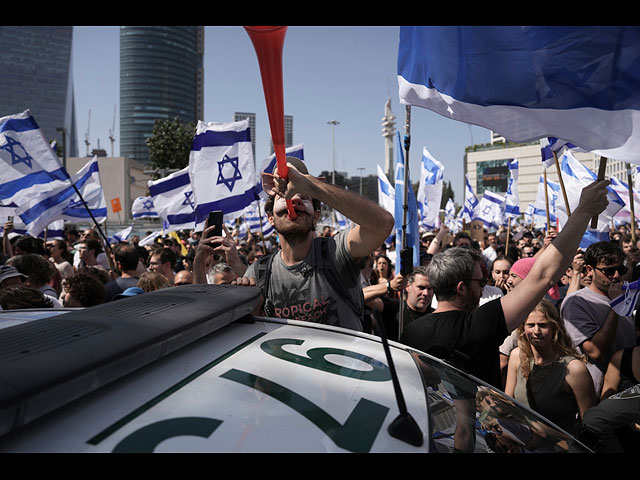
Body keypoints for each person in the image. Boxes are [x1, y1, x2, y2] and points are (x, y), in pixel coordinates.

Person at [398, 180, 610, 389]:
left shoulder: (410, 332)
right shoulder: (479, 323)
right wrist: (583, 211)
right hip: (475, 422)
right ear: (461, 288)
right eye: (480, 281)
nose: (483, 287)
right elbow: (544, 275)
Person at [215, 156, 394, 331]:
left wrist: (311, 186)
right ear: (270, 218)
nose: (294, 200)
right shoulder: (259, 272)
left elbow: (383, 224)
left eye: (304, 197)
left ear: (316, 216)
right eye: (282, 196)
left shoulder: (337, 251)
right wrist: (255, 310)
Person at [505, 300, 597, 437]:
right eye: (531, 325)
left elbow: (589, 425)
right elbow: (508, 404)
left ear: (555, 327)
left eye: (543, 325)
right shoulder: (517, 356)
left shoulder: (574, 369)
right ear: (523, 328)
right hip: (522, 443)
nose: (536, 331)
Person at [560, 241, 637, 396]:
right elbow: (595, 352)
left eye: (620, 270)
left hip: (630, 387)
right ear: (589, 270)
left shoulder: (625, 296)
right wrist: (615, 307)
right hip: (599, 394)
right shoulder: (576, 302)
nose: (616, 276)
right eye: (609, 271)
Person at [364, 266, 434, 340]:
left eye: (430, 288)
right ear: (407, 287)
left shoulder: (435, 316)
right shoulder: (394, 308)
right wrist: (389, 286)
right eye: (421, 288)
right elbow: (361, 296)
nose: (426, 293)